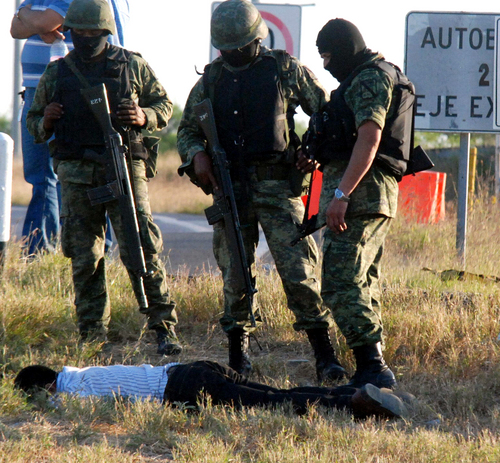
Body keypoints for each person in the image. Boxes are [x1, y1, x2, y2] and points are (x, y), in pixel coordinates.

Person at [177, 0, 346, 383]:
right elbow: (187, 130)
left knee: (299, 271)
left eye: (240, 46)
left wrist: (312, 150)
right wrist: (196, 156)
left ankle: (325, 355)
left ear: (257, 39)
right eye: (227, 48)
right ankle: (238, 355)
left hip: (276, 185)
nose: (233, 53)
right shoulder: (211, 80)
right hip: (229, 189)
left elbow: (323, 110)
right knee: (235, 273)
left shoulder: (283, 68)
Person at [26, 0, 181, 356]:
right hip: (77, 173)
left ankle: (163, 328)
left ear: (106, 31)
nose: (85, 37)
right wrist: (46, 119)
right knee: (85, 256)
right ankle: (92, 333)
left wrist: (143, 115)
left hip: (124, 168)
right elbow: (33, 123)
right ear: (69, 33)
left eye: (93, 32)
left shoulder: (131, 65)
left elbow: (165, 105)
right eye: (79, 32)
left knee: (141, 248)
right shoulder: (58, 72)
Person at [311, 19, 416, 389]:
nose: (325, 65)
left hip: (361, 195)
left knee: (339, 284)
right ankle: (373, 367)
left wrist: (341, 195)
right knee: (363, 282)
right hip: (370, 194)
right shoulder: (366, 77)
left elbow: (369, 139)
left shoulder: (370, 77)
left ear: (344, 50)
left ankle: (373, 367)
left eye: (328, 56)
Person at [10, 0, 130, 257]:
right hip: (35, 89)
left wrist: (30, 19)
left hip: (74, 85)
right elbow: (14, 29)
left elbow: (41, 23)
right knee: (41, 177)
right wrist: (27, 17)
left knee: (82, 172)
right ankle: (38, 253)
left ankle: (88, 253)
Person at [14, 361, 409, 419]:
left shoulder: (73, 390)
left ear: (47, 387)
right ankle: (355, 391)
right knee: (274, 392)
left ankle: (353, 405)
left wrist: (46, 407)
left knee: (271, 404)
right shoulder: (83, 371)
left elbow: (71, 413)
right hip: (189, 369)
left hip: (182, 387)